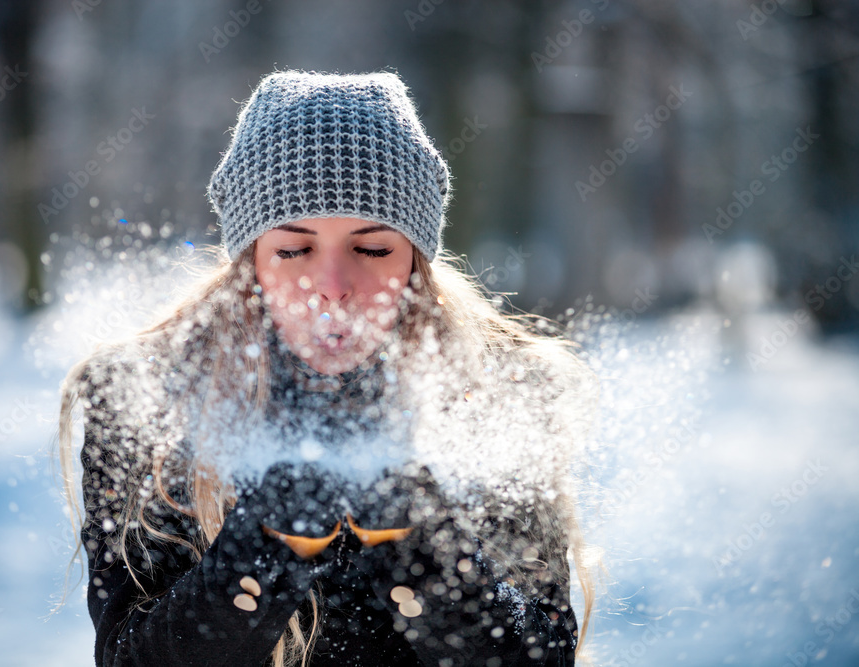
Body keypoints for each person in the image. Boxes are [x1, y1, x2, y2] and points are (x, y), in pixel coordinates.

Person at [57, 69, 596, 666]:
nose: (333, 288)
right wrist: (266, 544)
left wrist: (420, 548)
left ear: (416, 261)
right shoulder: (143, 396)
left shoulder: (501, 392)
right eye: (294, 249)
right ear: (251, 261)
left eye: (372, 248)